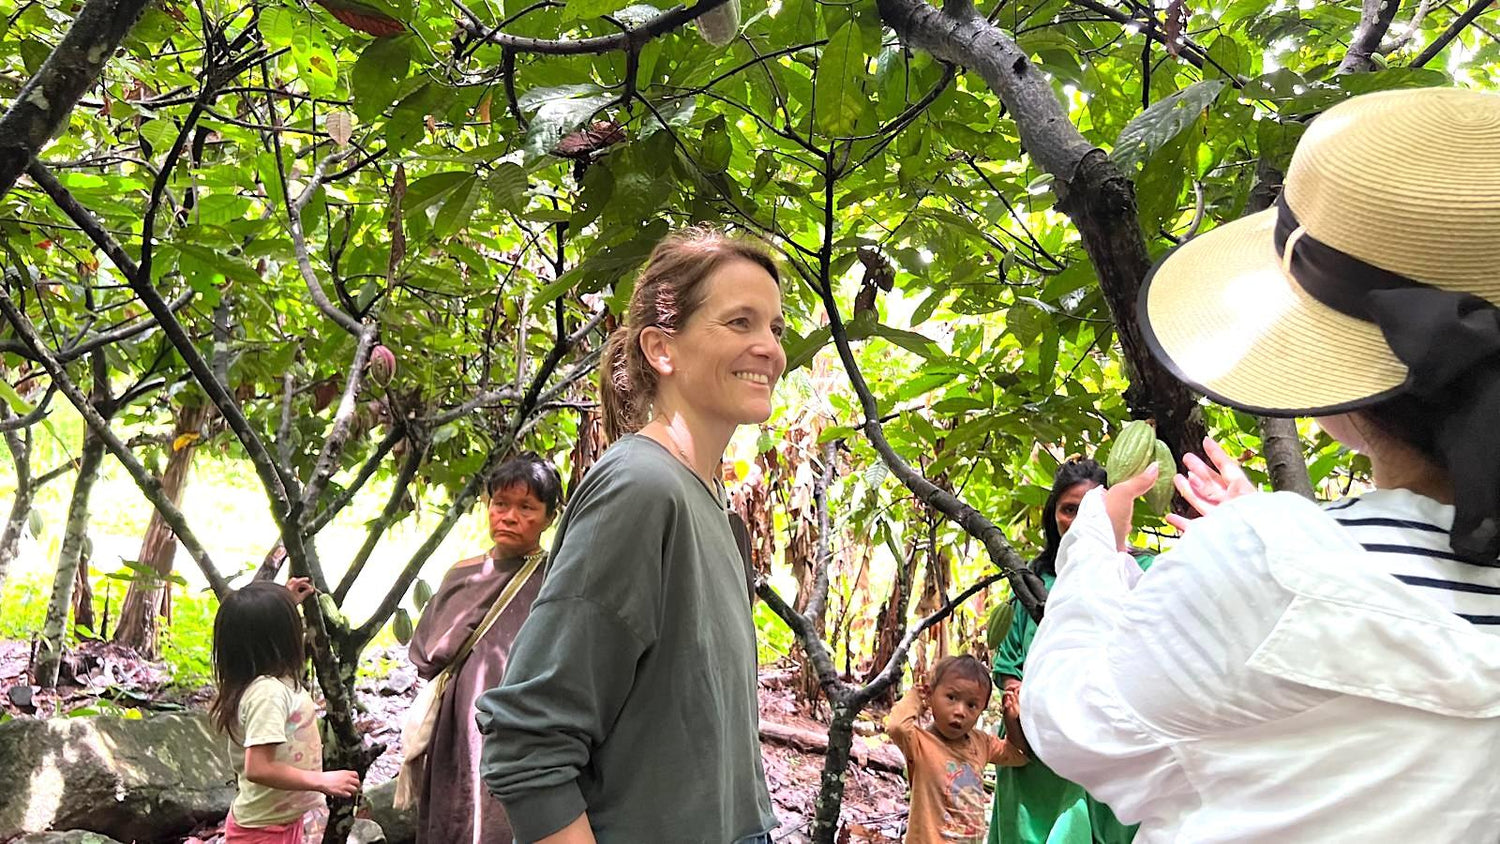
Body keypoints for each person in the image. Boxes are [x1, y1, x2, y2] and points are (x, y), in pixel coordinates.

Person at [1020, 86, 1500, 842]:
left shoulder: (1264, 562)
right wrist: (1295, 544)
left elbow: (1077, 722)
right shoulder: (1275, 557)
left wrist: (1092, 550)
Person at [476, 226, 784, 843]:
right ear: (661, 349)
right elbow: (527, 744)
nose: (769, 348)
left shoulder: (708, 496)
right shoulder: (641, 487)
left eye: (775, 328)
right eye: (740, 322)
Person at [405, 453, 562, 843]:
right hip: (459, 722)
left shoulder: (555, 580)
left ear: (549, 517)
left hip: (521, 726)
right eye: (500, 504)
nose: (509, 517)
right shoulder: (463, 574)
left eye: (526, 507)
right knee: (459, 808)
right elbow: (427, 653)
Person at [988, 459, 1146, 844]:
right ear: (1053, 514)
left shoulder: (1142, 569)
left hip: (1108, 734)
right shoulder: (1033, 580)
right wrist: (1019, 701)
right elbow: (1009, 661)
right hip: (1033, 736)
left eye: (1091, 508)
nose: (1078, 520)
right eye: (1068, 509)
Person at [209, 578, 361, 843]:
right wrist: (322, 781)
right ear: (278, 639)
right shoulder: (267, 694)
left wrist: (284, 602)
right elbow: (259, 767)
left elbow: (255, 629)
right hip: (263, 833)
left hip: (278, 821)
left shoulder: (268, 678)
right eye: (293, 624)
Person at [885, 655, 1028, 843]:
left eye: (971, 705)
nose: (960, 711)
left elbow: (1017, 755)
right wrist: (918, 694)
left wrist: (1010, 720)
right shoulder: (920, 743)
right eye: (951, 698)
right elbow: (896, 726)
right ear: (931, 695)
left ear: (982, 710)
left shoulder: (981, 743)